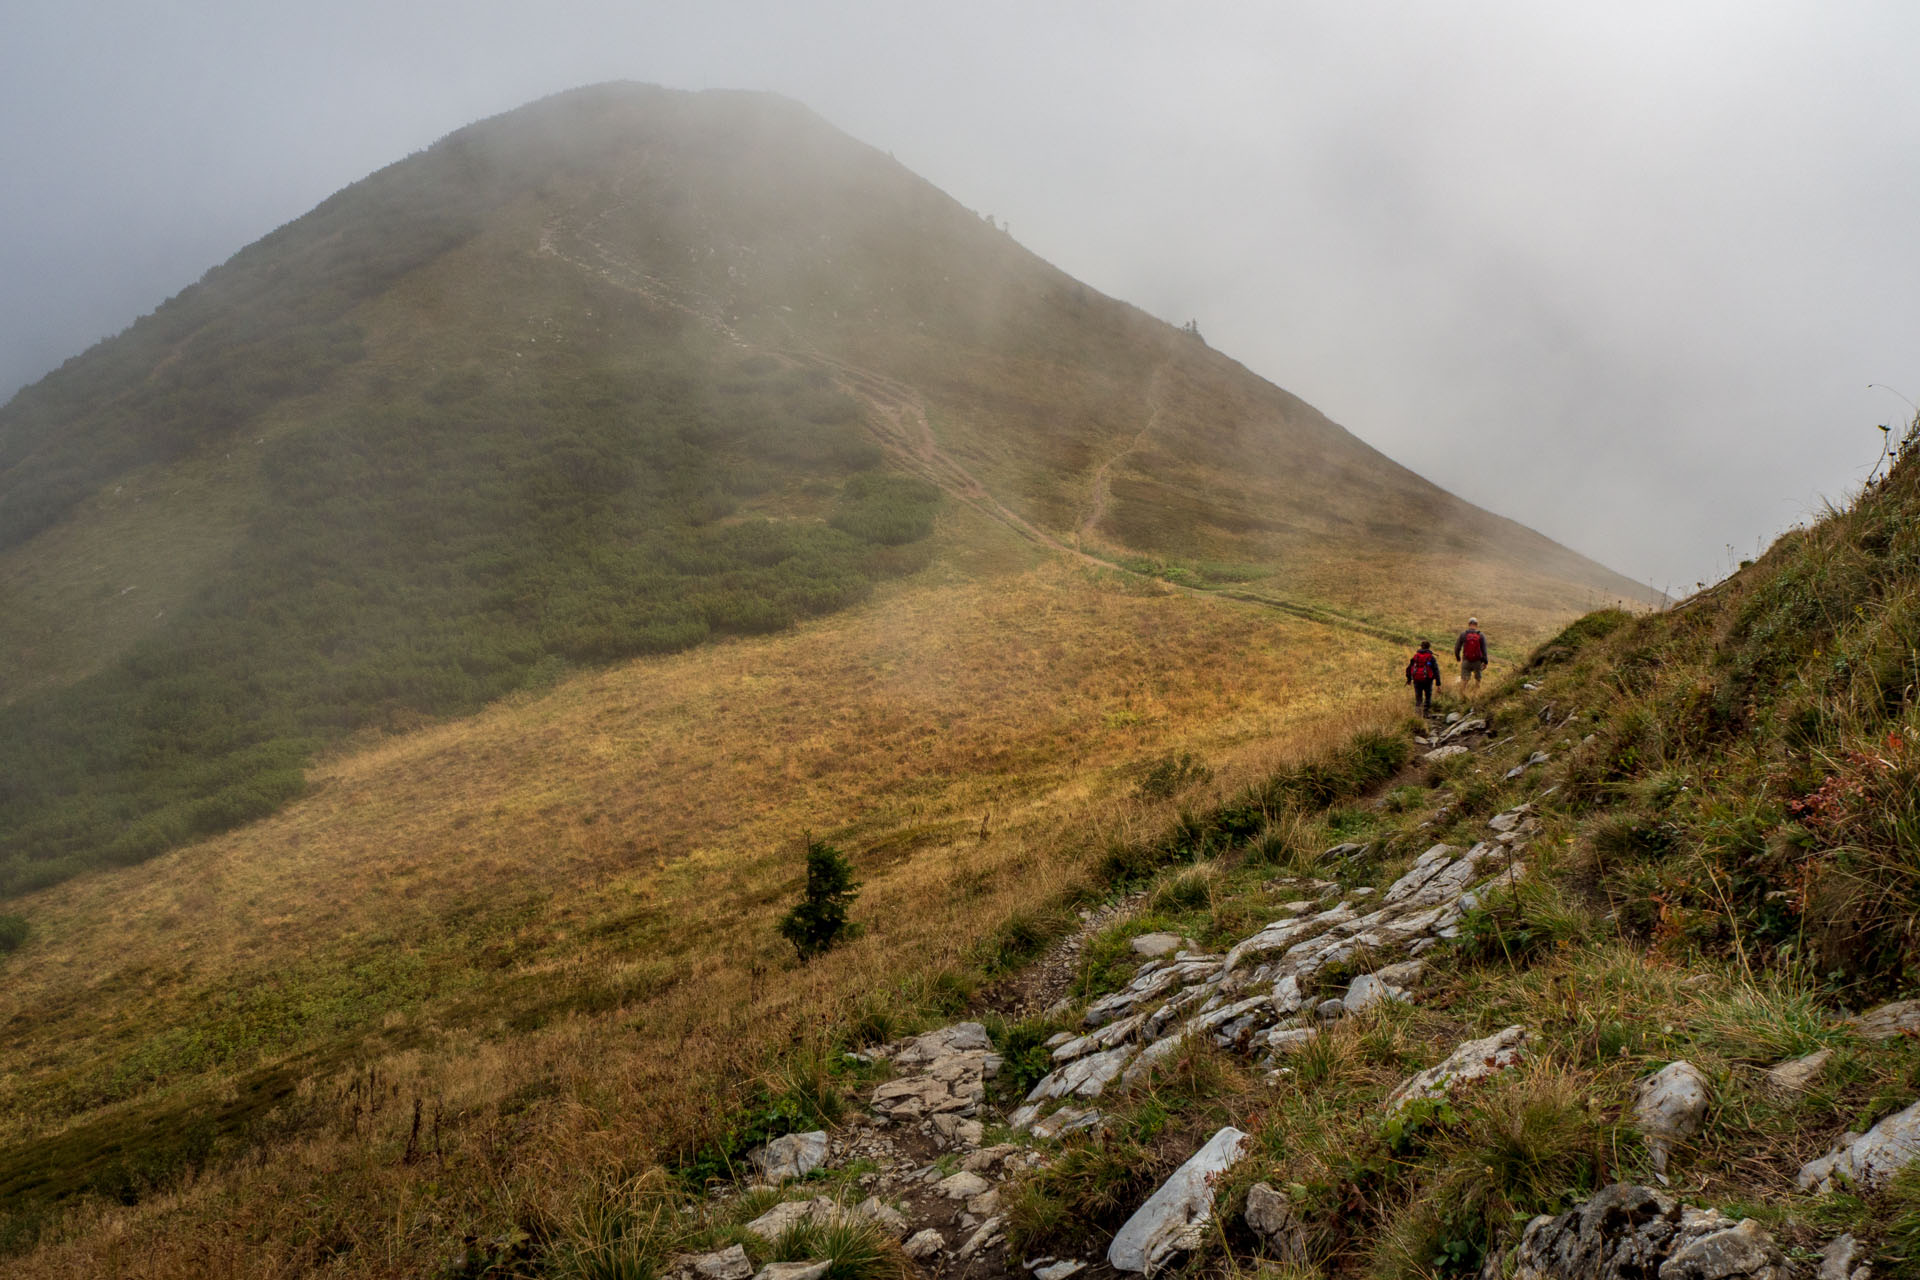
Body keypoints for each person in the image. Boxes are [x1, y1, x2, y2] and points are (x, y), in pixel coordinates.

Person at [1405, 639, 1441, 714]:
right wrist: (1438, 684)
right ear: (1429, 647)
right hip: (1428, 680)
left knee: (1418, 698)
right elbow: (1436, 670)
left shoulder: (1416, 656)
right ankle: (1426, 713)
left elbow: (1409, 668)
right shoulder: (1431, 657)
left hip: (1417, 679)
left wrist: (1409, 679)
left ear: (1421, 647)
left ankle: (1418, 715)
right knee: (1428, 696)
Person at [1455, 617, 1490, 687]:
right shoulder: (1481, 635)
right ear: (1477, 625)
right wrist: (1485, 662)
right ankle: (1476, 695)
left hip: (1466, 660)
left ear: (1468, 624)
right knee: (1478, 680)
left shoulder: (1463, 634)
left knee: (1464, 680)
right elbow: (1484, 649)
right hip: (1477, 661)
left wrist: (1458, 657)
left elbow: (1457, 647)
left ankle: (1461, 695)